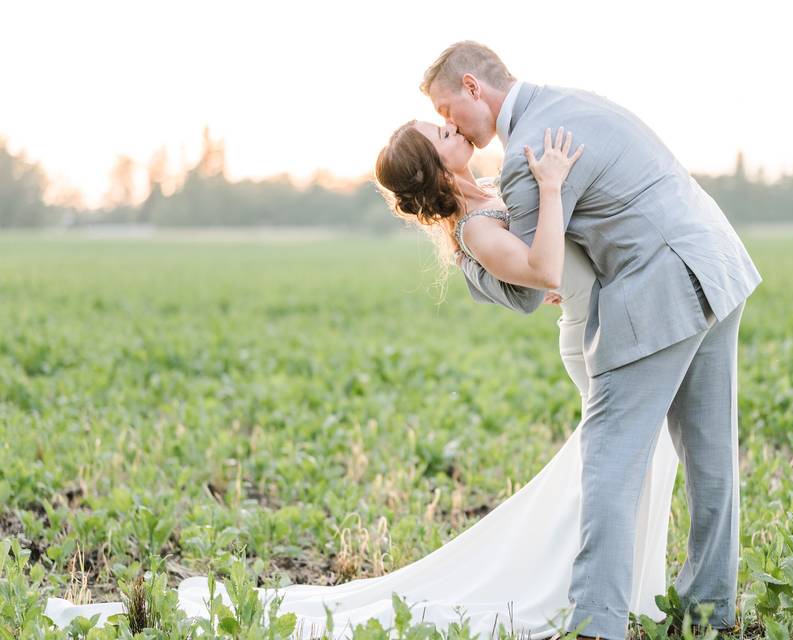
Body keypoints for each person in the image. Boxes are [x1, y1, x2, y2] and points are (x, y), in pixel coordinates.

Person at [42, 120, 682, 640]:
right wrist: (550, 187)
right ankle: (596, 590)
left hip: (595, 321)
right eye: (442, 132)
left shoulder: (485, 197)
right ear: (437, 166)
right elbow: (542, 266)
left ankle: (615, 587)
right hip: (593, 339)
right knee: (629, 457)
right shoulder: (477, 225)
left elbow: (544, 269)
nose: (455, 128)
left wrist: (563, 267)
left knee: (627, 460)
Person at [420, 41, 763, 639]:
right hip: (717, 259)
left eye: (449, 111)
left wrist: (464, 256)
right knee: (711, 457)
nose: (452, 125)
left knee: (608, 456)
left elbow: (530, 283)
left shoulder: (529, 154)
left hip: (663, 285)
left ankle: (595, 624)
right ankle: (712, 611)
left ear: (474, 87)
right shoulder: (570, 102)